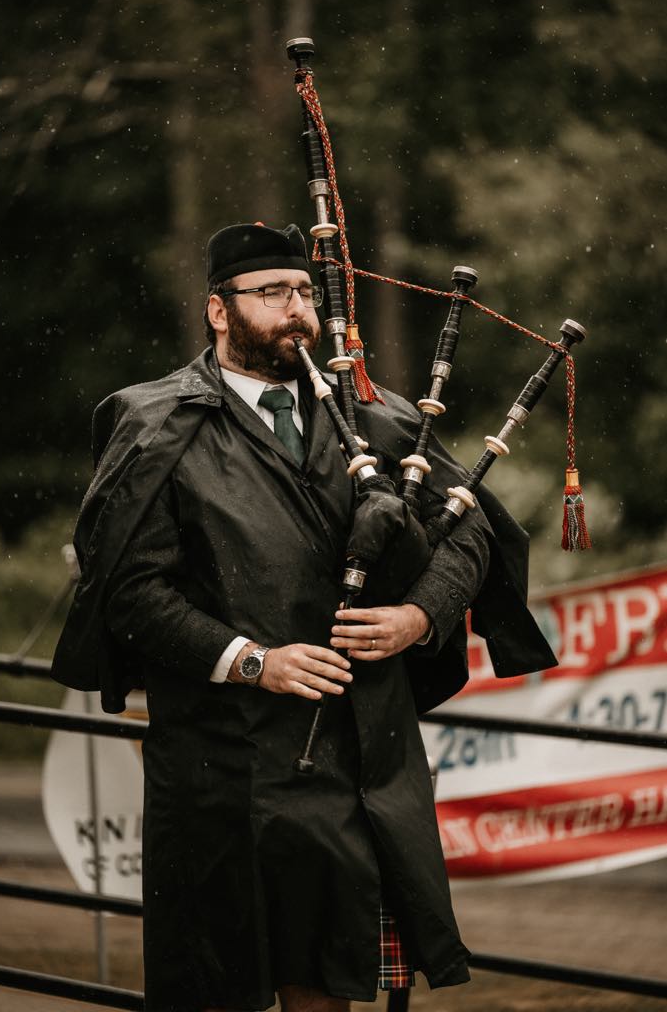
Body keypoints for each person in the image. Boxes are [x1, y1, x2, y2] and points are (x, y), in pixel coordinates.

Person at [52, 222, 555, 1012]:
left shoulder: (379, 420)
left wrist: (418, 617)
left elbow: (473, 537)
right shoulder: (154, 425)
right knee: (217, 983)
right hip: (219, 760)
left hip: (353, 761)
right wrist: (255, 659)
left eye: (304, 294)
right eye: (272, 294)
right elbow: (130, 593)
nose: (298, 312)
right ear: (218, 311)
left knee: (325, 987)